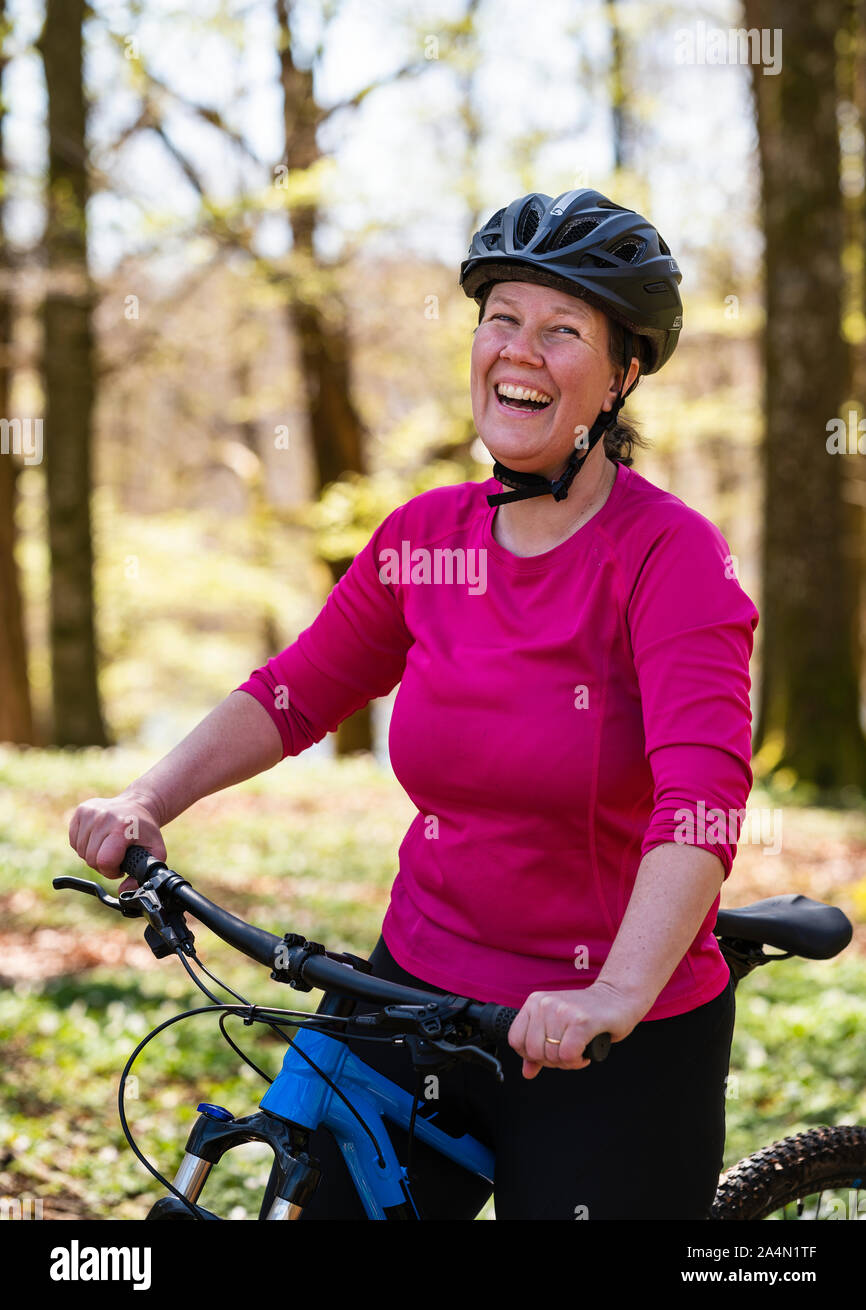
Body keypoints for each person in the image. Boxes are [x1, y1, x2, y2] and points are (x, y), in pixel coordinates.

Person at [69, 188, 759, 1220]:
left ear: (619, 377)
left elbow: (699, 799)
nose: (518, 350)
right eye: (502, 319)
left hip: (607, 1030)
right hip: (416, 992)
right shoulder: (424, 538)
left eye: (562, 330)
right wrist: (147, 797)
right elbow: (289, 694)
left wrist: (612, 993)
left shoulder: (669, 558)